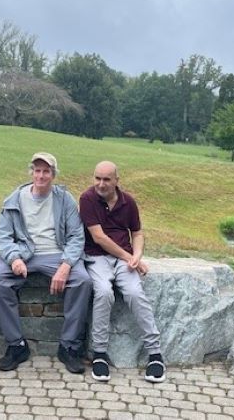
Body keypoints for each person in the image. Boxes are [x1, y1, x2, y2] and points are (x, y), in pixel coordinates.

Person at [0, 152, 92, 374]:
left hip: (56, 254)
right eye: (37, 170)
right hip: (24, 253)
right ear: (31, 172)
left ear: (53, 175)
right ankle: (16, 345)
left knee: (82, 280)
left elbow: (76, 236)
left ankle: (69, 346)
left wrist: (65, 265)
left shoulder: (65, 199)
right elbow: (4, 237)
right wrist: (14, 258)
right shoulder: (14, 199)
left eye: (46, 171)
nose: (41, 175)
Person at [79, 160, 165, 383]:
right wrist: (130, 258)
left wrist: (136, 256)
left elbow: (137, 233)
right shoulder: (87, 199)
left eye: (107, 179)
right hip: (96, 257)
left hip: (123, 260)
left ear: (117, 180)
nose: (101, 183)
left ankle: (155, 354)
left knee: (135, 293)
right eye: (97, 178)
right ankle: (99, 354)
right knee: (104, 292)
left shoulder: (128, 202)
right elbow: (99, 238)